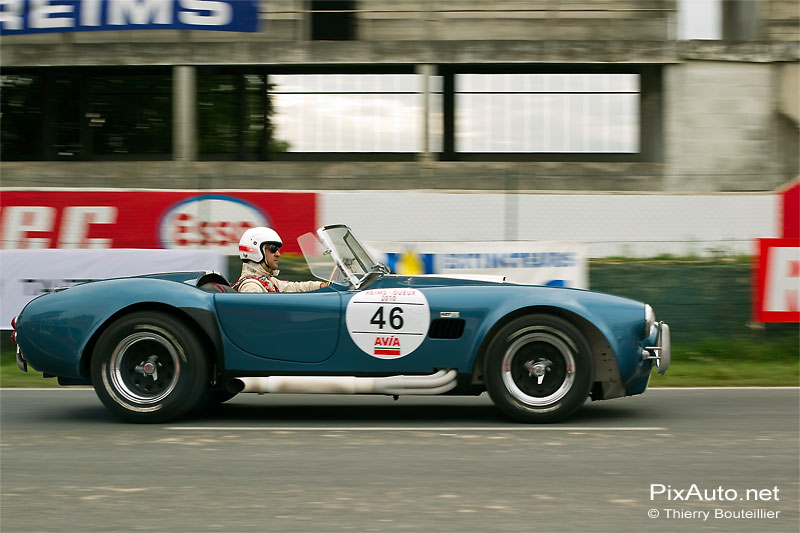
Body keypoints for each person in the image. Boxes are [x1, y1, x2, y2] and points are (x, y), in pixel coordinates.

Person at [233, 227, 331, 293]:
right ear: (255, 250)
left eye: (278, 249)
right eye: (272, 248)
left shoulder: (268, 281)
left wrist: (323, 286)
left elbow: (295, 287)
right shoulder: (251, 287)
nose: (278, 254)